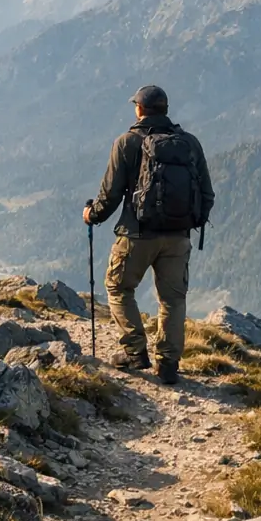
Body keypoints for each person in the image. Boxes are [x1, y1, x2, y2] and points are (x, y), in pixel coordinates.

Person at [83, 84, 215, 385]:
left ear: (139, 109)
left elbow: (110, 195)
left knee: (117, 287)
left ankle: (134, 351)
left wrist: (92, 215)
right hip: (179, 237)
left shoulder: (127, 142)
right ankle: (168, 364)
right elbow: (207, 193)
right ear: (165, 110)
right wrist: (189, 223)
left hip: (137, 234)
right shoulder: (190, 144)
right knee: (172, 299)